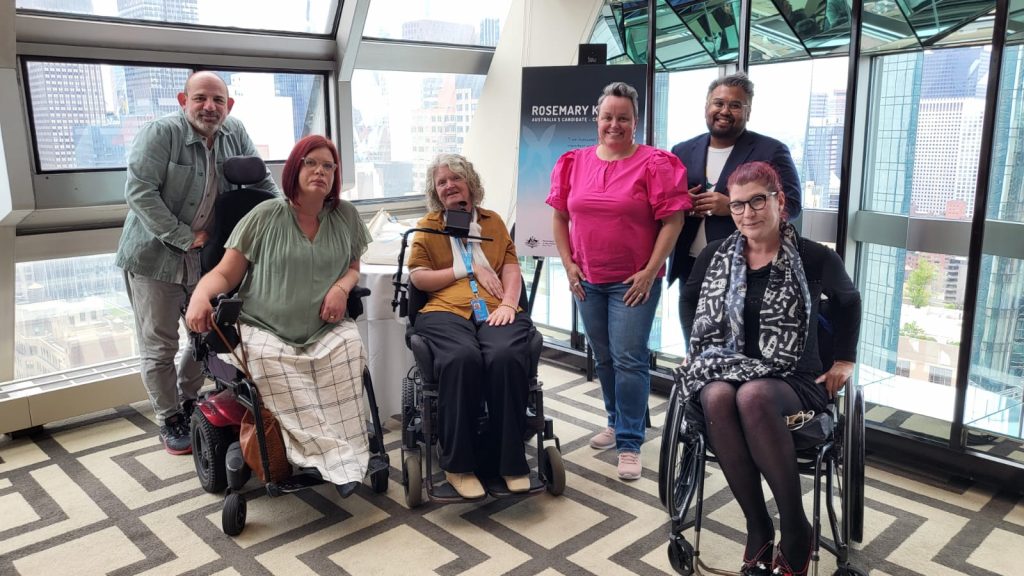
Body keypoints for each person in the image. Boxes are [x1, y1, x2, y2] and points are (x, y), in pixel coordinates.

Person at [680, 161, 860, 575]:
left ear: (779, 202)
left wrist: (845, 359)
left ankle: (795, 529)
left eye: (757, 201)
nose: (747, 213)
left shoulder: (814, 258)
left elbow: (849, 303)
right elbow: (689, 299)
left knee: (754, 394)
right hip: (728, 367)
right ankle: (758, 526)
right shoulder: (715, 256)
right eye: (738, 205)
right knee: (718, 393)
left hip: (795, 375)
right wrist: (698, 348)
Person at [185, 135, 372, 494]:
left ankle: (343, 451)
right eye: (311, 163)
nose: (320, 171)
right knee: (270, 360)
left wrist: (341, 288)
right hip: (264, 326)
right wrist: (200, 295)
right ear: (293, 169)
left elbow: (352, 267)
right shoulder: (265, 216)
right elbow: (225, 274)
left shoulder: (345, 216)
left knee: (350, 347)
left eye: (328, 166)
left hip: (322, 328)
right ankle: (333, 458)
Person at [116, 71, 278, 455]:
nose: (210, 107)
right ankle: (169, 416)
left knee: (207, 334)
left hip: (207, 259)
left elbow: (263, 184)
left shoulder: (234, 131)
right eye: (201, 98)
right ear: (182, 100)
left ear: (229, 105)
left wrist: (288, 217)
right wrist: (183, 236)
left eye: (218, 100)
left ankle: (189, 399)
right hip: (154, 258)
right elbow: (139, 192)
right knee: (160, 345)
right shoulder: (161, 134)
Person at [547, 82, 690, 481]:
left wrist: (649, 272)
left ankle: (629, 442)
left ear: (635, 121)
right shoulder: (573, 162)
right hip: (586, 278)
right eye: (608, 116)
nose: (614, 124)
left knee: (629, 358)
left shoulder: (655, 163)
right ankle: (615, 421)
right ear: (597, 119)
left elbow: (673, 221)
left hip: (634, 283)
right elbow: (560, 216)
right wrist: (568, 263)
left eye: (623, 118)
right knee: (605, 357)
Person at [407, 153, 532, 500]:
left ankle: (510, 462)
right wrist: (468, 269)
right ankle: (458, 465)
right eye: (441, 182)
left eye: (455, 178)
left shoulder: (493, 223)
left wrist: (509, 303)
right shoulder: (428, 226)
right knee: (461, 359)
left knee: (506, 356)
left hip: (495, 309)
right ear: (436, 191)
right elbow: (418, 277)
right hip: (444, 309)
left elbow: (510, 267)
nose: (449, 185)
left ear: (470, 184)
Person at [668, 72, 802, 333]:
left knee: (740, 346)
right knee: (695, 344)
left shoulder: (771, 150)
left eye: (735, 105)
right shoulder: (681, 150)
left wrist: (730, 206)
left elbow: (792, 205)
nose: (724, 110)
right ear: (707, 106)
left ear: (748, 112)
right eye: (718, 103)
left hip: (747, 267)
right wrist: (683, 203)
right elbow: (665, 201)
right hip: (692, 266)